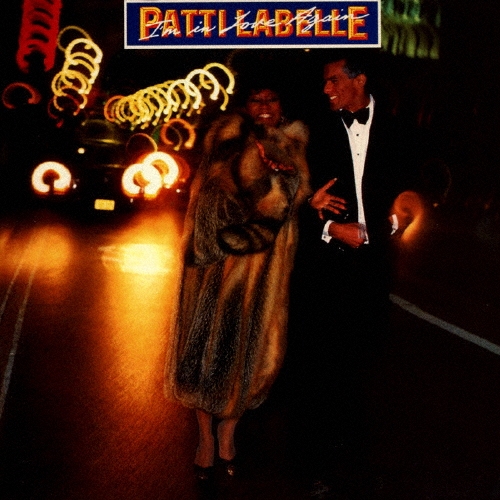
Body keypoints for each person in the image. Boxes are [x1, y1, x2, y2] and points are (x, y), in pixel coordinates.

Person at [164, 81, 311, 482]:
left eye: (272, 98)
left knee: (251, 356)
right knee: (201, 353)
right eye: (255, 99)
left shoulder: (296, 144)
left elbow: (293, 201)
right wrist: (234, 232)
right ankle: (204, 438)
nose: (264, 105)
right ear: (244, 104)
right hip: (216, 263)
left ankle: (228, 431)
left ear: (283, 104)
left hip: (267, 270)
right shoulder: (227, 138)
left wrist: (299, 195)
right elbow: (208, 198)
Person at [287, 51, 417, 496]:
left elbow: (413, 192)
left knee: (362, 368)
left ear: (359, 80)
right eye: (324, 82)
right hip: (324, 268)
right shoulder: (313, 132)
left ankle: (356, 463)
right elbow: (289, 203)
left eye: (333, 80)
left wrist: (394, 223)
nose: (326, 89)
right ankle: (313, 466)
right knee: (318, 369)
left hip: (372, 269)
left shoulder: (399, 130)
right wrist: (324, 222)